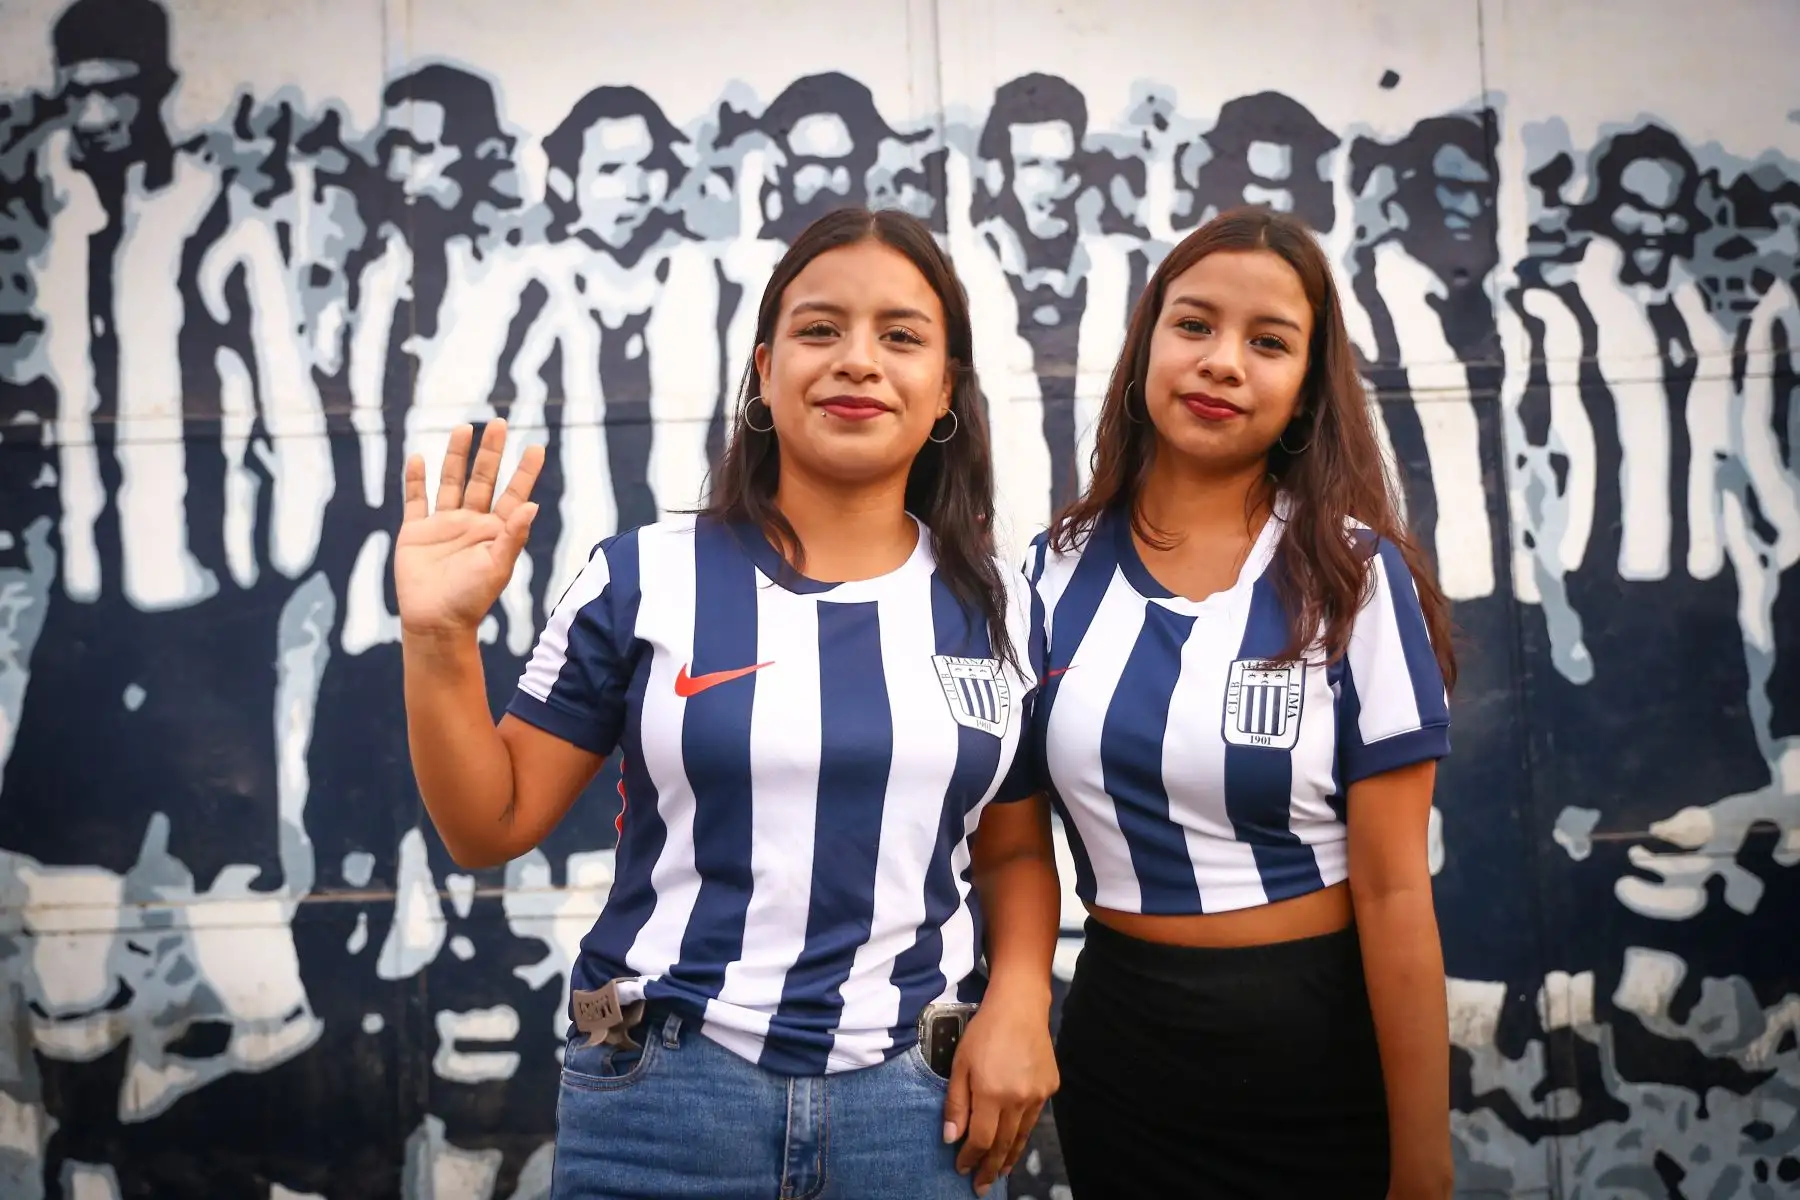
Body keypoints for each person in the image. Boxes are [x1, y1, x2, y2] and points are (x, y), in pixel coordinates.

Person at [395, 206, 1061, 1200]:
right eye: (819, 329)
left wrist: (1019, 1003)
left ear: (946, 394)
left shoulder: (1002, 605)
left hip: (919, 1113)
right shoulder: (642, 578)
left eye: (901, 336)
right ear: (762, 372)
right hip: (664, 1097)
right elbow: (486, 825)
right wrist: (439, 638)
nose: (857, 361)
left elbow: (1010, 849)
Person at [1027, 206, 1458, 1199]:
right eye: (1195, 325)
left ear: (1308, 390)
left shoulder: (1355, 576)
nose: (1224, 362)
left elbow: (1396, 892)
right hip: (1123, 1046)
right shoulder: (1044, 580)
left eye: (1269, 343)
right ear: (1145, 351)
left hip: (1316, 1044)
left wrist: (1425, 1165)